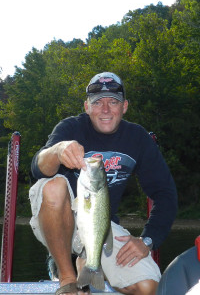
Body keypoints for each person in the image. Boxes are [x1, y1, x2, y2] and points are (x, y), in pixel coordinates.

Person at [29, 72, 178, 295]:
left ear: (125, 106)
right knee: (53, 186)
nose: (105, 109)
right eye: (97, 102)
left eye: (113, 102)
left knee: (148, 288)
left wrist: (147, 240)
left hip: (100, 227)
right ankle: (67, 277)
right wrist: (57, 151)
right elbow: (37, 169)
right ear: (87, 106)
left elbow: (166, 194)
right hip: (59, 221)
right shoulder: (70, 128)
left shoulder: (137, 138)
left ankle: (87, 261)